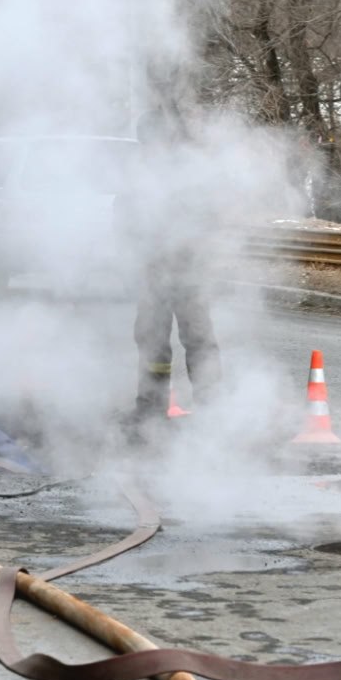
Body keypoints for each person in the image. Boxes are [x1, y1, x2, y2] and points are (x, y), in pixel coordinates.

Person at [119, 108, 222, 439]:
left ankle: (211, 409)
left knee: (197, 339)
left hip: (187, 269)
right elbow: (125, 216)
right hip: (156, 271)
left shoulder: (189, 172)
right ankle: (151, 408)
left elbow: (207, 217)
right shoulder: (142, 174)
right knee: (153, 341)